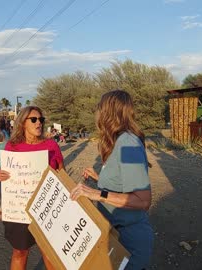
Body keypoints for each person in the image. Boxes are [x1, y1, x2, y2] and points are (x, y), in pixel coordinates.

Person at [70, 90, 153, 270]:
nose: (97, 114)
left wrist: (97, 193)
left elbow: (143, 200)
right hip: (117, 235)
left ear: (108, 112)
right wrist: (99, 178)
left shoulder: (128, 143)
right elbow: (124, 185)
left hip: (129, 242)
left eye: (99, 108)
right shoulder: (119, 141)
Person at [0, 106, 64, 270]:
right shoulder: (12, 147)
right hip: (20, 209)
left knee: (49, 254)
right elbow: (7, 178)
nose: (38, 123)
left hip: (47, 210)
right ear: (22, 123)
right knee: (20, 252)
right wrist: (0, 176)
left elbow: (62, 174)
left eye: (41, 119)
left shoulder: (51, 145)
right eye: (33, 119)